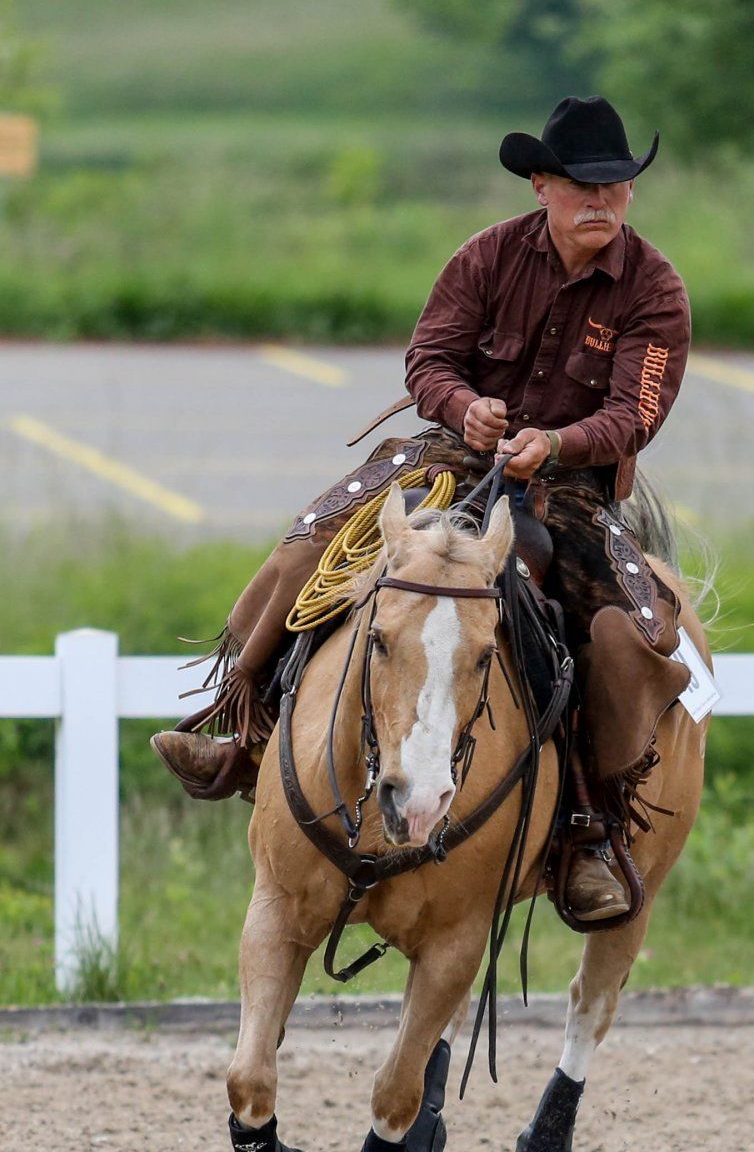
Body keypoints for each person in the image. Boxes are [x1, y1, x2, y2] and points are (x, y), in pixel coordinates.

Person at [153, 95, 692, 923]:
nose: (602, 203)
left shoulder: (654, 290)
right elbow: (428, 358)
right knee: (311, 548)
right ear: (542, 186)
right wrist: (464, 405)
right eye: (583, 186)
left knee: (624, 641)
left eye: (616, 187)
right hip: (453, 457)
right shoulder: (485, 257)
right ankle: (244, 730)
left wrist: (558, 443)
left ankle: (589, 828)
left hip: (574, 485)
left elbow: (637, 413)